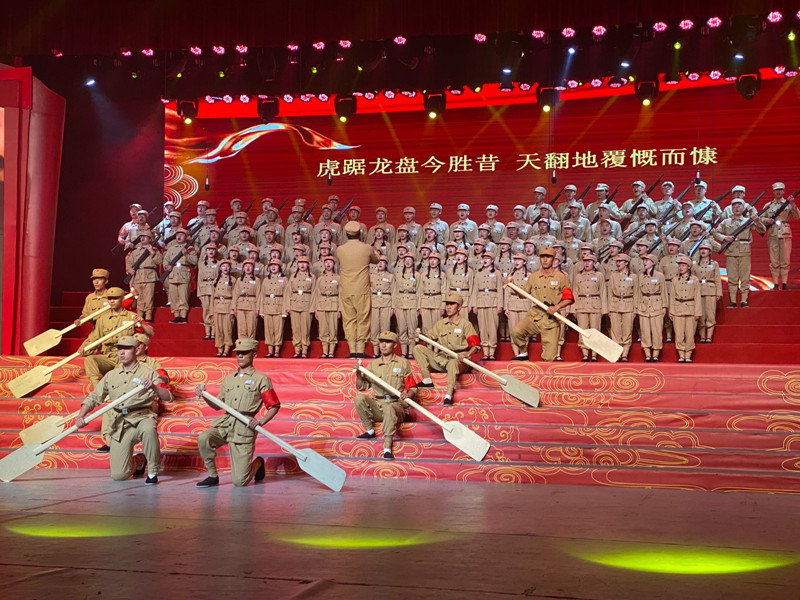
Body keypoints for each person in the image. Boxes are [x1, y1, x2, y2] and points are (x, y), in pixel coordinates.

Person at [76, 335, 172, 484]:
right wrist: (81, 415)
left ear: (136, 351)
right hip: (120, 423)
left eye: (126, 349)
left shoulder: (149, 372)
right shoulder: (111, 375)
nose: (121, 352)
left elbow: (168, 396)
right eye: (119, 348)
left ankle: (153, 472)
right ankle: (140, 460)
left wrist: (153, 387)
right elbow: (94, 397)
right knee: (119, 475)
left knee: (149, 429)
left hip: (142, 417)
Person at [195, 338, 281, 488]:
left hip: (244, 427)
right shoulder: (229, 379)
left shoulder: (261, 379)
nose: (240, 356)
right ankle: (212, 475)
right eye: (238, 353)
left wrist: (260, 422)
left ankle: (258, 463)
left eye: (244, 353)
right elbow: (217, 405)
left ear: (254, 355)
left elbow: (274, 405)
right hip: (225, 423)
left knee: (240, 481)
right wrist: (204, 395)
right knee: (204, 438)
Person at [353, 331, 418, 461]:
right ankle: (370, 430)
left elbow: (412, 386)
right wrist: (358, 373)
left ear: (395, 345)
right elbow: (361, 387)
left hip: (396, 405)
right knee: (359, 398)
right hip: (379, 406)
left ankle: (387, 446)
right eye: (381, 342)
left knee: (389, 407)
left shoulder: (403, 363)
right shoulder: (373, 365)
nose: (383, 345)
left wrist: (408, 394)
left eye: (387, 342)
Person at [413, 293, 480, 405]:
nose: (448, 307)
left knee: (453, 363)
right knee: (418, 348)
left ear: (459, 307)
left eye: (452, 304)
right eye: (447, 304)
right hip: (443, 359)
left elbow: (476, 345)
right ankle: (427, 380)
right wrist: (420, 335)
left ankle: (448, 395)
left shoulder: (465, 324)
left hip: (458, 360)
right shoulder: (441, 324)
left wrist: (467, 354)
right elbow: (429, 338)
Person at [508, 247, 574, 362]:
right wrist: (512, 285)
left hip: (551, 319)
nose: (545, 259)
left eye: (548, 257)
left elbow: (569, 298)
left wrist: (556, 307)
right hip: (535, 315)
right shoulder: (534, 277)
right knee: (516, 331)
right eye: (542, 257)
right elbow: (524, 294)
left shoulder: (561, 277)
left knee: (549, 358)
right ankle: (523, 352)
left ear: (553, 259)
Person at [80, 287, 154, 387]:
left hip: (126, 357)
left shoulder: (132, 316)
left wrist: (140, 323)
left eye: (115, 298)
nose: (112, 301)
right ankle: (97, 388)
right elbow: (94, 338)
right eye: (109, 298)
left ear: (122, 299)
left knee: (119, 374)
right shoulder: (102, 319)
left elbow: (150, 333)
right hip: (108, 356)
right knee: (90, 360)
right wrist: (84, 347)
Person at [337, 220, 380, 357]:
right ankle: (360, 350)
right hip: (362, 289)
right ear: (360, 233)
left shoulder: (340, 249)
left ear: (346, 234)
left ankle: (352, 350)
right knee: (363, 319)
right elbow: (377, 260)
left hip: (346, 289)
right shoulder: (367, 248)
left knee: (349, 320)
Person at [714, 197, 765, 307]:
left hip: (744, 251)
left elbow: (762, 230)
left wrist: (757, 221)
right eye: (734, 207)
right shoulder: (726, 222)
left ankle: (743, 300)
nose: (737, 208)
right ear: (731, 208)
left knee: (745, 277)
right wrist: (724, 238)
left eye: (739, 206)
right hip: (731, 251)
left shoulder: (748, 221)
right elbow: (715, 232)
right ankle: (733, 301)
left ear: (743, 208)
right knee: (732, 278)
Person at [761, 182, 798, 289]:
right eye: (776, 190)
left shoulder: (788, 204)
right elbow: (760, 218)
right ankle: (776, 284)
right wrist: (767, 220)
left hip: (785, 232)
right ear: (773, 192)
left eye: (780, 190)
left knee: (785, 260)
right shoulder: (768, 205)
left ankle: (785, 284)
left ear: (784, 191)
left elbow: (797, 216)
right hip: (772, 233)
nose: (778, 192)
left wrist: (793, 204)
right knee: (774, 260)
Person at [572, 253, 606, 361]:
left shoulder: (599, 275)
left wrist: (604, 309)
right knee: (583, 330)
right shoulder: (578, 276)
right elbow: (575, 292)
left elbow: (603, 292)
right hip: (581, 305)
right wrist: (573, 308)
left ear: (594, 263)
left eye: (589, 261)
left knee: (595, 330)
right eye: (585, 261)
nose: (586, 263)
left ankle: (594, 354)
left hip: (595, 305)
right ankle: (585, 353)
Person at [634, 253, 668, 362]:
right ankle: (647, 354)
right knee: (645, 331)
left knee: (657, 331)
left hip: (656, 306)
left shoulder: (659, 276)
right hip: (644, 306)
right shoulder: (641, 276)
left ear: (653, 263)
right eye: (644, 260)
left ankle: (656, 354)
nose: (645, 262)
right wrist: (636, 307)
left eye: (647, 260)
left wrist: (664, 306)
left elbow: (663, 291)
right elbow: (638, 293)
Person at [471, 251, 503, 360]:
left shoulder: (497, 273)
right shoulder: (478, 274)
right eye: (484, 258)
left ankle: (492, 352)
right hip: (481, 302)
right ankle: (485, 352)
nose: (485, 260)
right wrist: (474, 305)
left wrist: (500, 305)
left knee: (492, 328)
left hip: (493, 302)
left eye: (487, 258)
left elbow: (500, 290)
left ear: (492, 260)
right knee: (483, 328)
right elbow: (475, 290)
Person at [669, 256, 702, 362]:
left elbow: (697, 296)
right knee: (679, 334)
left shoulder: (694, 279)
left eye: (683, 265)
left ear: (688, 267)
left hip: (691, 309)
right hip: (678, 309)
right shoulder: (674, 280)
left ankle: (688, 354)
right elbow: (672, 297)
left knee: (690, 333)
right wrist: (671, 312)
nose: (681, 267)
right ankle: (681, 354)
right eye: (679, 265)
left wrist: (697, 312)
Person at [162, 228, 198, 324]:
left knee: (183, 296)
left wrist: (186, 255)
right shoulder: (171, 249)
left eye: (181, 235)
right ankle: (176, 315)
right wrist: (166, 266)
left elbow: (194, 261)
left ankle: (183, 315)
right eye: (177, 235)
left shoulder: (190, 249)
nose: (179, 236)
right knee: (173, 296)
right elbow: (165, 260)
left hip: (184, 273)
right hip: (173, 274)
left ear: (185, 237)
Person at [125, 229, 161, 321]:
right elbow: (129, 263)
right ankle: (140, 315)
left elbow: (159, 261)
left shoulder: (154, 250)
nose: (142, 238)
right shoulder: (135, 251)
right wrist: (130, 270)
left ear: (150, 239)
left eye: (145, 236)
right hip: (138, 276)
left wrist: (152, 252)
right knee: (139, 297)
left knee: (149, 297)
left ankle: (148, 315)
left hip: (149, 275)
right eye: (141, 236)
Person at [607, 253, 637, 362]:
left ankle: (625, 353)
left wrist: (635, 309)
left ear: (626, 263)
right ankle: (617, 353)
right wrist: (609, 308)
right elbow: (610, 293)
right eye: (617, 261)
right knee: (615, 331)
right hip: (615, 305)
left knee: (627, 331)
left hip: (628, 305)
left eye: (620, 261)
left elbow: (636, 293)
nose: (618, 263)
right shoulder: (613, 276)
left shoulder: (633, 277)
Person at [283, 255, 315, 358]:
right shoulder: (293, 276)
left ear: (308, 265)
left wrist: (312, 308)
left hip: (306, 305)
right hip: (294, 305)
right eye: (300, 263)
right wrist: (288, 306)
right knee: (296, 329)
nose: (302, 265)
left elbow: (314, 293)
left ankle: (304, 350)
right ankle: (297, 350)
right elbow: (288, 292)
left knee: (305, 329)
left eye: (304, 263)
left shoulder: (312, 277)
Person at [692, 241, 722, 343]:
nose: (703, 251)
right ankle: (702, 336)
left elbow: (717, 279)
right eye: (701, 249)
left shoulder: (714, 264)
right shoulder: (695, 265)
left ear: (709, 251)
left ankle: (709, 336)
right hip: (699, 291)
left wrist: (718, 293)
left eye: (705, 249)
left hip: (710, 291)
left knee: (710, 314)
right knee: (700, 315)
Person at [311, 256, 340, 358]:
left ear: (334, 264)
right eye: (326, 262)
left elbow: (341, 294)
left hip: (334, 304)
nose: (328, 264)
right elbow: (317, 294)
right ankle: (325, 351)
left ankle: (331, 351)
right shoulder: (320, 279)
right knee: (323, 329)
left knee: (333, 329)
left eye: (330, 262)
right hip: (322, 305)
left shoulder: (338, 278)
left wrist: (340, 309)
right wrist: (316, 309)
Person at [257, 259, 288, 358]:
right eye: (271, 265)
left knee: (278, 330)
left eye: (276, 265)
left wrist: (285, 310)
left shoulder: (284, 279)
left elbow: (286, 295)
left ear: (280, 267)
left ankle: (277, 351)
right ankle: (270, 351)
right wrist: (261, 310)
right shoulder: (266, 279)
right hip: (267, 306)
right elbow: (262, 295)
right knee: (268, 330)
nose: (273, 267)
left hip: (279, 306)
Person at [392, 253, 420, 358]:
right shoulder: (399, 274)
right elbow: (395, 291)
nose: (407, 262)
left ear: (413, 262)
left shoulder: (417, 275)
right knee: (402, 328)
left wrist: (419, 307)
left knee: (412, 328)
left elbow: (419, 291)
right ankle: (404, 352)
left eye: (410, 259)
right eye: (406, 259)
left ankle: (411, 352)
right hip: (400, 303)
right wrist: (394, 305)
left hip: (412, 303)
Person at [368, 256, 394, 356]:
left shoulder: (390, 276)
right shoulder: (371, 276)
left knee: (385, 327)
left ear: (386, 264)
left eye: (382, 262)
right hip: (374, 302)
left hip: (386, 302)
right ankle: (375, 352)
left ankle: (385, 352)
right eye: (378, 262)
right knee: (374, 327)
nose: (380, 264)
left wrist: (393, 307)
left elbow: (394, 292)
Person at [212, 259, 235, 357]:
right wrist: (212, 309)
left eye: (227, 266)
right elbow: (212, 295)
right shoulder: (216, 280)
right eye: (223, 266)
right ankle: (220, 349)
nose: (225, 268)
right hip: (217, 306)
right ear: (220, 268)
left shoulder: (233, 280)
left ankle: (226, 349)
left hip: (227, 306)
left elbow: (235, 296)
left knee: (227, 329)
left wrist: (233, 309)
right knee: (218, 329)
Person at [232, 259, 261, 339]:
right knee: (241, 328)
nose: (248, 268)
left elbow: (259, 295)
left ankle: (250, 345)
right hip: (240, 306)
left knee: (251, 328)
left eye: (250, 266)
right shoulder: (239, 280)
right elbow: (235, 294)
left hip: (252, 306)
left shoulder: (257, 280)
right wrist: (234, 307)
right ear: (243, 268)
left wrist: (258, 308)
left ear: (253, 268)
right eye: (246, 266)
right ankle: (242, 345)